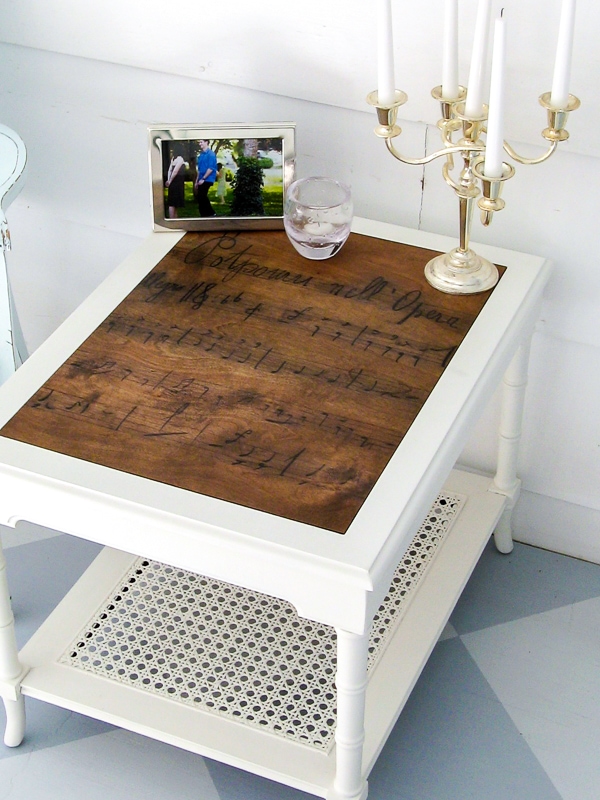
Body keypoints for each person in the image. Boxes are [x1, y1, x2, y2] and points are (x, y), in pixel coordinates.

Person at [194, 139, 217, 217]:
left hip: (207, 179)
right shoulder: (201, 155)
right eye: (199, 142)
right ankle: (204, 214)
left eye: (201, 142)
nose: (200, 144)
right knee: (200, 197)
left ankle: (210, 213)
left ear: (206, 142)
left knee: (202, 195)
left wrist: (203, 179)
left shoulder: (211, 154)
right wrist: (196, 181)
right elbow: (199, 170)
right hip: (201, 179)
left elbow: (211, 168)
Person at [165, 147, 186, 219]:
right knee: (173, 203)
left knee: (173, 203)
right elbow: (173, 171)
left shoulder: (176, 159)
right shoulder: (179, 159)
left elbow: (171, 171)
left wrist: (169, 181)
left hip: (174, 183)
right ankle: (172, 219)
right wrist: (169, 181)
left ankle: (174, 219)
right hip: (177, 183)